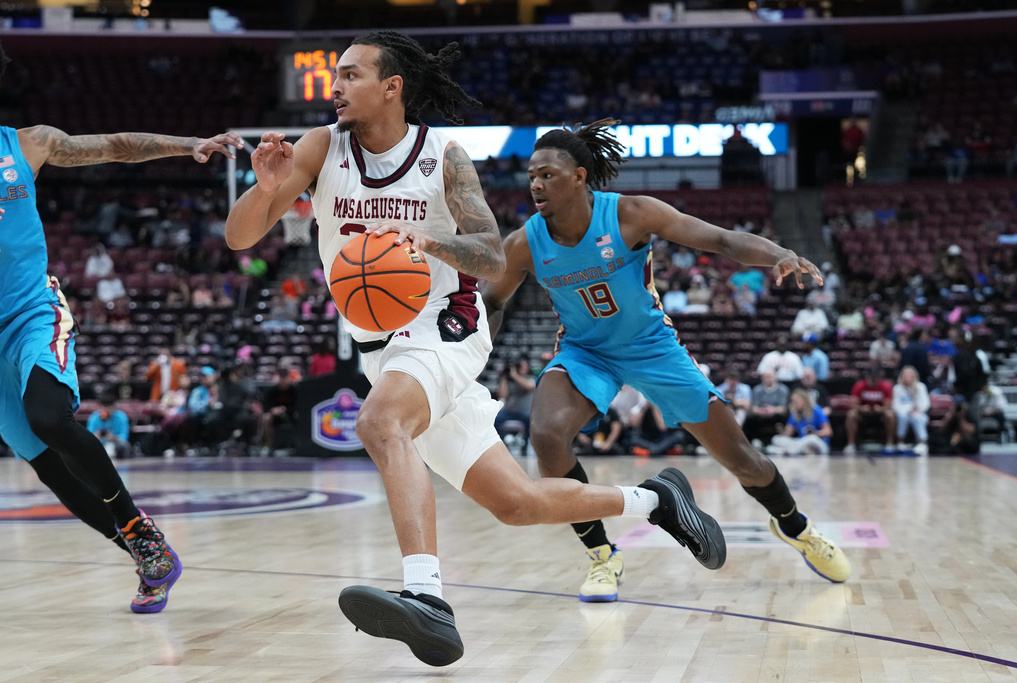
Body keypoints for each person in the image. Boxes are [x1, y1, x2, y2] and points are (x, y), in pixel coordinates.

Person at [223, 33, 726, 667]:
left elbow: (491, 255)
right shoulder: (322, 148)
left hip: (445, 324)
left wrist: (424, 240)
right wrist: (265, 189)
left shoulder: (444, 157)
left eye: (351, 75)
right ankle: (657, 499)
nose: (336, 86)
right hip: (381, 347)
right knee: (515, 503)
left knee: (380, 423)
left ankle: (428, 599)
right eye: (336, 76)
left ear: (391, 86)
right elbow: (240, 238)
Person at [481, 118, 849, 604]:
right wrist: (468, 349)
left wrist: (778, 252)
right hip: (586, 352)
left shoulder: (632, 214)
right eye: (531, 174)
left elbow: (718, 239)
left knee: (744, 460)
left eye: (547, 174)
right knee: (546, 435)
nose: (535, 184)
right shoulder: (524, 242)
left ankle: (796, 527)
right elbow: (493, 302)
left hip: (653, 348)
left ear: (579, 176)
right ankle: (602, 557)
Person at [0, 39, 243, 613]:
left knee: (47, 417)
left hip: (33, 312)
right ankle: (145, 552)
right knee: (46, 467)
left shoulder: (25, 144)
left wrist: (190, 145)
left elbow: (113, 146)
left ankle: (136, 526)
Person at [844, 364, 896, 454]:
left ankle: (889, 444)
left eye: (875, 380)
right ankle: (851, 444)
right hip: (863, 414)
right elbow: (853, 404)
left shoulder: (886, 386)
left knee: (890, 415)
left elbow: (888, 406)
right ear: (866, 377)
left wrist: (880, 409)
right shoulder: (859, 386)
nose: (872, 382)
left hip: (880, 414)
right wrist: (861, 408)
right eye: (870, 379)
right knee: (851, 414)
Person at [767, 389, 832, 456]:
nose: (794, 404)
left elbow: (828, 431)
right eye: (793, 402)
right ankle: (794, 451)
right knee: (776, 439)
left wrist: (814, 433)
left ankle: (784, 451)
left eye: (796, 402)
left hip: (818, 443)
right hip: (800, 442)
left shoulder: (817, 410)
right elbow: (788, 434)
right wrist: (782, 431)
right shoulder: (794, 414)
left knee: (811, 438)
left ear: (804, 400)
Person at [892, 365, 931, 456]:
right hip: (903, 413)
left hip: (918, 413)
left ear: (914, 376)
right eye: (906, 374)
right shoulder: (897, 388)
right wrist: (908, 409)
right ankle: (900, 441)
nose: (908, 377)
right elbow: (895, 405)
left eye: (910, 374)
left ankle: (923, 443)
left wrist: (918, 410)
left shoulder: (921, 387)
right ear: (902, 376)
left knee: (918, 418)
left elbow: (926, 404)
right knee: (902, 417)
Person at [86, 391, 131, 460]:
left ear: (113, 407)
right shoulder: (94, 417)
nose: (106, 410)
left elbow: (124, 436)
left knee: (124, 445)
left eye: (109, 407)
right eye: (104, 407)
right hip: (100, 443)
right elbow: (88, 435)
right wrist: (95, 437)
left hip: (116, 443)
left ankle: (124, 461)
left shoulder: (121, 417)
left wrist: (113, 437)